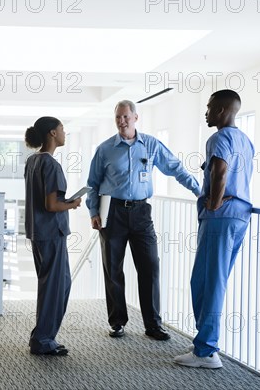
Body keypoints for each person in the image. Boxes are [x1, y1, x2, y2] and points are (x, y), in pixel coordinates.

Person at [86, 100, 201, 340]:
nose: (121, 121)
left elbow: (175, 167)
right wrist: (93, 212)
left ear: (135, 117)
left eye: (126, 116)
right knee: (113, 268)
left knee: (150, 266)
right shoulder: (105, 149)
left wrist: (198, 191)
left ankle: (153, 324)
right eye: (118, 117)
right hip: (113, 212)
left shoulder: (150, 144)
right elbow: (93, 184)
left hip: (141, 213)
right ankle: (117, 322)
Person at [174, 89, 254, 369]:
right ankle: (205, 344)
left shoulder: (218, 137)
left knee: (207, 282)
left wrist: (213, 204)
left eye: (209, 108)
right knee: (212, 280)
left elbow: (220, 172)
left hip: (221, 218)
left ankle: (206, 350)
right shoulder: (245, 141)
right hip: (239, 217)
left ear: (221, 110)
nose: (206, 113)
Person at [24, 116, 82, 356]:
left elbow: (43, 199)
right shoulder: (51, 165)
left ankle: (42, 335)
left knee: (50, 285)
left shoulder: (32, 161)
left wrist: (63, 203)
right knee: (56, 287)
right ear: (52, 134)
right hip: (51, 232)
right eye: (61, 129)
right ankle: (44, 339)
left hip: (38, 231)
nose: (64, 133)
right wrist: (73, 204)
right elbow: (51, 205)